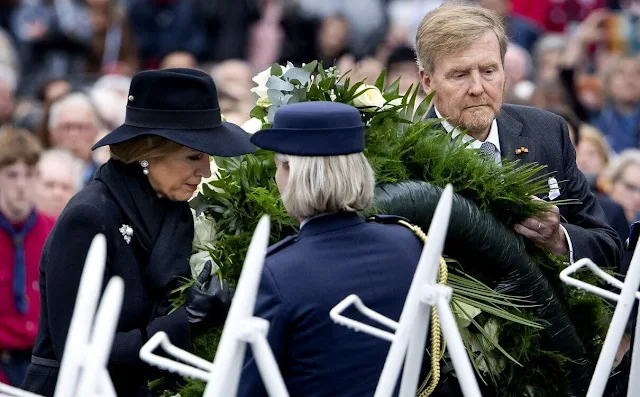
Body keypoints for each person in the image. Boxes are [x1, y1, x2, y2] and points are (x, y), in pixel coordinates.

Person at [21, 68, 256, 396]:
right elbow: (79, 350)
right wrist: (186, 320)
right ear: (148, 153)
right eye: (194, 156)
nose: (205, 170)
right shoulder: (89, 217)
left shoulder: (174, 211)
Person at [237, 101, 425, 397]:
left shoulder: (277, 271)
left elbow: (247, 388)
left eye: (278, 167)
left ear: (291, 172)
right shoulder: (408, 242)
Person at [416, 5, 621, 272]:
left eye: (488, 71)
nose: (477, 88)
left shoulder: (548, 131)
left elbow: (609, 249)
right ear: (427, 81)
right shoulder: (408, 157)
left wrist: (559, 240)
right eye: (460, 74)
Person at [0, 128, 55, 387]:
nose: (21, 185)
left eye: (29, 175)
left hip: (41, 364)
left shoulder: (54, 232)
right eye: (11, 175)